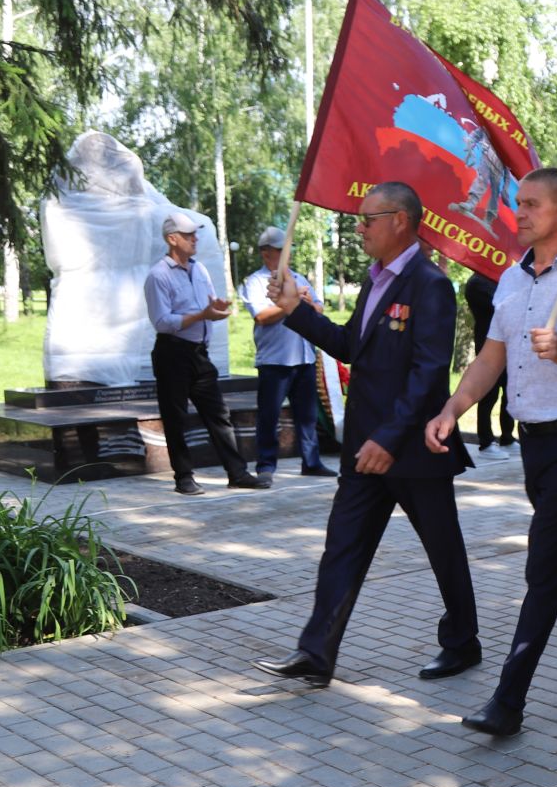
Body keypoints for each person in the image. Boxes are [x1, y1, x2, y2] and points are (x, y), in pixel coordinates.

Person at [424, 167, 557, 738]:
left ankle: (508, 699)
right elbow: (490, 357)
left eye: (531, 204)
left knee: (544, 565)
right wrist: (452, 409)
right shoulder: (512, 280)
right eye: (518, 203)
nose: (518, 213)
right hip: (533, 442)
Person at [252, 182, 480, 686]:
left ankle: (462, 642)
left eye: (367, 219)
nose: (359, 228)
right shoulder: (375, 280)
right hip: (365, 448)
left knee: (443, 548)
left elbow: (427, 373)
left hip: (412, 449)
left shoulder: (429, 283)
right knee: (342, 548)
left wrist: (389, 438)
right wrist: (296, 310)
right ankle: (316, 654)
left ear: (400, 220)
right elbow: (350, 345)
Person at [142, 212, 263, 495]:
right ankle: (183, 477)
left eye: (195, 234)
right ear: (172, 239)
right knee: (175, 417)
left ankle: (238, 473)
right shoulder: (158, 275)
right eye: (188, 235)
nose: (195, 239)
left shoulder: (200, 270)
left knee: (218, 414)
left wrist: (217, 312)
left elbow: (207, 309)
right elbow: (162, 321)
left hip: (199, 353)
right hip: (172, 354)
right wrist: (202, 315)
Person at [240, 227, 335, 486]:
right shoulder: (256, 282)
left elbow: (318, 308)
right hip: (275, 360)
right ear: (266, 253)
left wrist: (300, 302)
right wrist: (290, 304)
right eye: (281, 250)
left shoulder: (298, 277)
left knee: (307, 415)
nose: (287, 254)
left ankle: (311, 462)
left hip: (303, 357)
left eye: (288, 249)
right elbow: (261, 316)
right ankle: (266, 466)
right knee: (269, 415)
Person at [460, 271, 515, 455]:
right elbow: (501, 305)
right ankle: (486, 440)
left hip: (508, 344)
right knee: (489, 395)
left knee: (509, 391)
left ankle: (507, 436)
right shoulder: (477, 283)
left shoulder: (501, 279)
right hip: (488, 346)